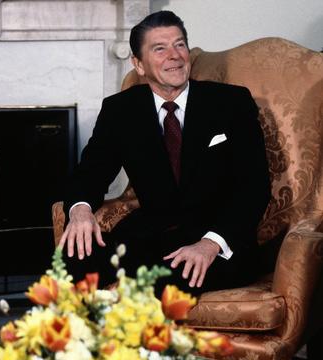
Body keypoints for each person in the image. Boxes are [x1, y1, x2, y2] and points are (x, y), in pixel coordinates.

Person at [59, 10, 271, 295]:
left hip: (220, 239)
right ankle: (92, 334)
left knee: (169, 278)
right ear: (139, 64)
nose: (175, 55)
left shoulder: (231, 102)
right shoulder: (120, 110)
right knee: (69, 259)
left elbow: (254, 186)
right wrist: (81, 211)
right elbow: (90, 173)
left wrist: (210, 244)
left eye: (179, 44)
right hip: (154, 235)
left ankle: (136, 321)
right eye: (160, 48)